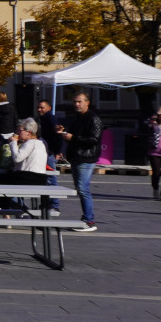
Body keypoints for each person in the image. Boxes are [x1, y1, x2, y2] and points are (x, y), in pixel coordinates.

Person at [54, 91, 102, 231]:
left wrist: (72, 138)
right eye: (75, 101)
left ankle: (89, 220)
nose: (76, 104)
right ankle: (87, 218)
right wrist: (64, 133)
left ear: (87, 102)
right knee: (81, 189)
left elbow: (94, 139)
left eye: (80, 101)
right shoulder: (78, 117)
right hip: (77, 156)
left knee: (83, 189)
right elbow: (75, 135)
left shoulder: (93, 118)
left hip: (86, 158)